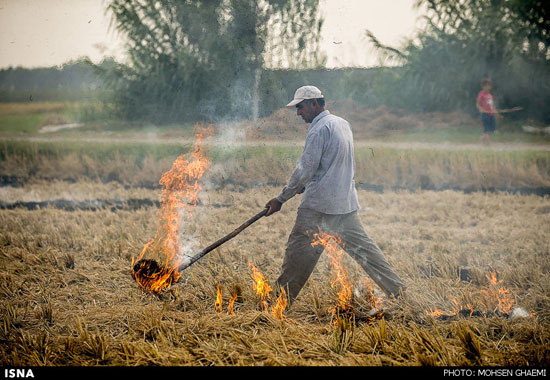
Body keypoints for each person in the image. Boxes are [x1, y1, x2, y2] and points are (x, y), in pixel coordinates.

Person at [265, 85, 406, 305]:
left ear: (314, 103)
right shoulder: (342, 124)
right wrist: (309, 182)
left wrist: (281, 198)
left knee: (297, 260)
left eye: (300, 107)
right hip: (345, 205)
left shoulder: (319, 129)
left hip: (318, 208)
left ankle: (277, 306)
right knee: (369, 255)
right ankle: (400, 293)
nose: (298, 112)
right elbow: (331, 163)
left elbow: (305, 169)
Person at [476, 78, 497, 145]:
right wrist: (481, 109)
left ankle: (482, 138)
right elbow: (478, 104)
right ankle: (488, 145)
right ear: (483, 86)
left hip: (491, 114)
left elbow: (492, 105)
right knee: (487, 129)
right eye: (486, 85)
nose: (488, 87)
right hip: (485, 114)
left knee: (492, 129)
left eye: (489, 85)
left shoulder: (490, 95)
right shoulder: (481, 94)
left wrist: (494, 110)